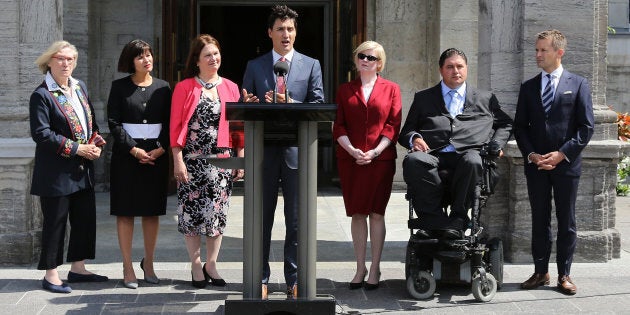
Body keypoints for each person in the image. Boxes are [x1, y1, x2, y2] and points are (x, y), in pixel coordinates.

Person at [241, 4, 325, 299]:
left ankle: (295, 279)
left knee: (296, 220)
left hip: (296, 152)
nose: (286, 34)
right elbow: (244, 105)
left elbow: (318, 106)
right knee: (260, 219)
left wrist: (290, 101)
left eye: (290, 29)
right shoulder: (255, 66)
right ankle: (259, 279)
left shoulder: (311, 65)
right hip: (262, 151)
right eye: (280, 29)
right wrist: (252, 104)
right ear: (270, 33)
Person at [399, 48, 512, 239]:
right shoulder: (423, 98)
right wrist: (415, 138)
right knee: (413, 161)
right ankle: (435, 221)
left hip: (467, 154)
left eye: (460, 66)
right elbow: (406, 132)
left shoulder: (485, 98)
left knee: (474, 161)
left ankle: (458, 219)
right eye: (450, 67)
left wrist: (497, 144)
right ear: (441, 70)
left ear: (467, 68)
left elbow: (506, 123)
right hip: (433, 154)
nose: (455, 71)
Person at [514, 29, 594, 295]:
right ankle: (540, 272)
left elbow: (586, 128)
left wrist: (561, 154)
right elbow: (520, 127)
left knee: (566, 220)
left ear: (559, 52)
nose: (537, 54)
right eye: (536, 49)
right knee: (539, 219)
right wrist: (532, 155)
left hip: (566, 165)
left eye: (542, 50)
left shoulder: (579, 83)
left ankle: (564, 274)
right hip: (536, 165)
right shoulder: (528, 87)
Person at [29, 41, 109, 293]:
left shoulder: (79, 86)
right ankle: (51, 274)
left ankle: (78, 268)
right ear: (49, 62)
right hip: (55, 172)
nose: (66, 64)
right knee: (56, 222)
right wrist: (77, 148)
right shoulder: (41, 95)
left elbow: (89, 122)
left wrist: (94, 143)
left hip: (82, 169)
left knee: (84, 219)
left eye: (70, 59)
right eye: (60, 59)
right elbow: (41, 134)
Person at [170, 34, 244, 289]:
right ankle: (195, 264)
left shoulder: (231, 87)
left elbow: (238, 126)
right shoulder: (185, 87)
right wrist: (177, 160)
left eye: (216, 54)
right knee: (191, 215)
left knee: (217, 214)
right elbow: (176, 126)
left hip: (222, 160)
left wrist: (240, 158)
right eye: (208, 55)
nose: (214, 59)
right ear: (197, 61)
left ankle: (211, 263)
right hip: (192, 159)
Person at [333, 41, 401, 290]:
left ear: (379, 63)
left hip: (380, 160)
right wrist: (352, 150)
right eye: (361, 56)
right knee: (357, 212)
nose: (365, 60)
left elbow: (393, 125)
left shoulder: (392, 89)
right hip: (350, 160)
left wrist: (374, 151)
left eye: (371, 57)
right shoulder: (344, 90)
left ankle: (375, 267)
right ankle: (360, 267)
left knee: (376, 212)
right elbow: (338, 124)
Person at [107, 39, 171, 289]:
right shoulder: (119, 87)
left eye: (149, 55)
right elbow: (113, 122)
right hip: (127, 158)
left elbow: (170, 121)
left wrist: (160, 149)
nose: (147, 60)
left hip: (156, 157)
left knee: (151, 212)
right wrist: (133, 149)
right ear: (130, 61)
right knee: (125, 212)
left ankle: (150, 263)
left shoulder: (164, 87)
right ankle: (127, 266)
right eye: (140, 57)